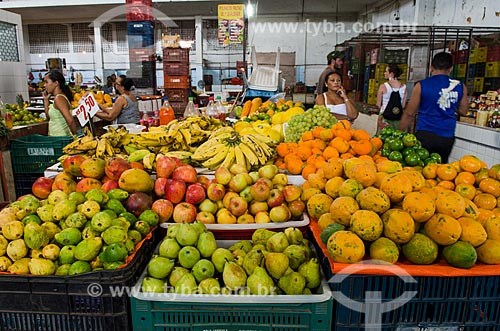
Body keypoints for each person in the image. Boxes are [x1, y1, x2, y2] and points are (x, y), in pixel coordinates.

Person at [399, 52, 469, 164]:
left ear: (431, 67)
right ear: (450, 69)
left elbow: (409, 114)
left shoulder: (422, 85)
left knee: (422, 167)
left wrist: (400, 132)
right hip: (447, 136)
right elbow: (463, 111)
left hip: (425, 134)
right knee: (441, 170)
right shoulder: (460, 86)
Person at [42, 70, 77, 136]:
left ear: (56, 83)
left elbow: (70, 121)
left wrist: (76, 137)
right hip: (56, 138)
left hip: (62, 138)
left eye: (46, 82)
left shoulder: (59, 99)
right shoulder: (57, 98)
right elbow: (49, 118)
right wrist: (46, 100)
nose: (44, 85)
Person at [376, 64, 408, 134]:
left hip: (385, 116)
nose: (384, 73)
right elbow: (403, 106)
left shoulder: (383, 86)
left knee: (382, 138)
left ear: (391, 74)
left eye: (386, 71)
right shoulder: (404, 87)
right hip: (398, 117)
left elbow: (378, 105)